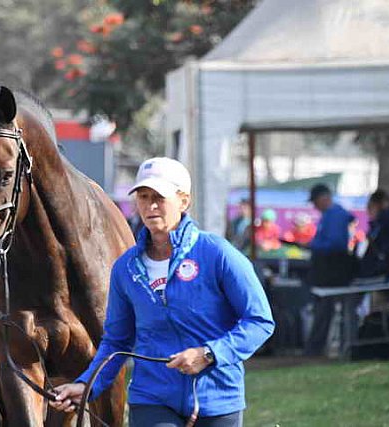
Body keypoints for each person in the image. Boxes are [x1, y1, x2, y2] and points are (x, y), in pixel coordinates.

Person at [50, 157, 275, 426]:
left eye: (160, 196)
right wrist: (86, 384)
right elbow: (117, 342)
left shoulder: (218, 254)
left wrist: (209, 354)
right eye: (143, 197)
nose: (150, 205)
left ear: (183, 201)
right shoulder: (125, 267)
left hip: (217, 398)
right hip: (152, 398)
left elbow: (259, 321)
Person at [304, 183, 355, 357]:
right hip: (329, 269)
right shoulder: (332, 215)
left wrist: (313, 245)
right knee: (324, 309)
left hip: (331, 270)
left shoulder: (334, 215)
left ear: (324, 198)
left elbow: (336, 244)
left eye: (315, 201)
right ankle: (317, 346)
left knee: (325, 309)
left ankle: (316, 348)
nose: (314, 206)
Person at [358, 190, 389, 279]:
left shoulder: (387, 223)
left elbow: (387, 248)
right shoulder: (377, 225)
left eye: (371, 207)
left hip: (382, 271)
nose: (368, 211)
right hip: (377, 269)